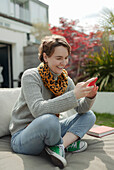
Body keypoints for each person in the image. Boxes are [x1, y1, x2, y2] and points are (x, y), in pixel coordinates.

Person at [9, 35, 98, 168]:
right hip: (23, 135)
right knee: (49, 119)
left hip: (51, 130)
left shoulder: (66, 80)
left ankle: (60, 145)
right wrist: (74, 95)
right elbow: (37, 109)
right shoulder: (31, 76)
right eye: (58, 58)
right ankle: (63, 144)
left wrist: (89, 96)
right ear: (45, 57)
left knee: (89, 115)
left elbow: (81, 109)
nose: (63, 63)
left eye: (66, 58)